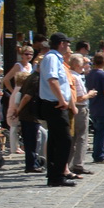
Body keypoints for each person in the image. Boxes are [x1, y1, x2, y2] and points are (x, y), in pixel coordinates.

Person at [36, 34, 77, 187]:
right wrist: (61, 99)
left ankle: (54, 175)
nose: (68, 46)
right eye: (67, 43)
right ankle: (57, 175)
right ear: (61, 44)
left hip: (55, 104)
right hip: (55, 104)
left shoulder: (54, 58)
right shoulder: (52, 58)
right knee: (64, 140)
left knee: (55, 140)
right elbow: (52, 80)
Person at [84, 53, 104, 165]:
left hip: (93, 106)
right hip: (103, 107)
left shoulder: (89, 74)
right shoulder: (103, 75)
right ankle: (99, 155)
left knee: (98, 131)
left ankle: (97, 153)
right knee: (102, 132)